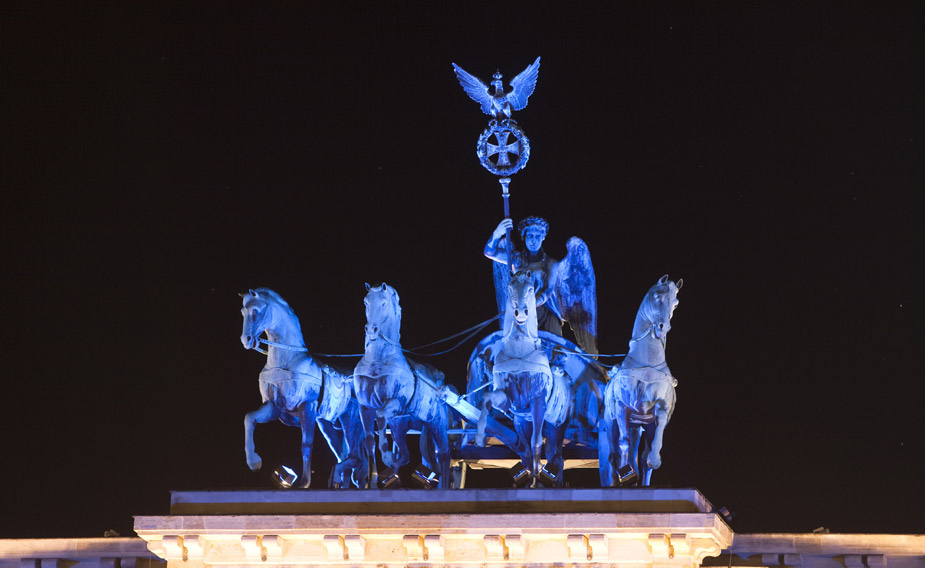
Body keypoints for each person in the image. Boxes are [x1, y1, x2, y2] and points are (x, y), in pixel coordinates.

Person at [484, 216, 563, 335]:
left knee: (552, 343)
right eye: (530, 236)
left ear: (543, 237)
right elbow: (489, 252)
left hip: (546, 314)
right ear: (523, 237)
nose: (533, 241)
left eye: (537, 236)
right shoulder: (516, 259)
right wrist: (498, 232)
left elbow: (547, 290)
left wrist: (528, 305)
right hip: (521, 312)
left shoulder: (552, 264)